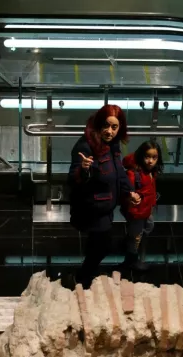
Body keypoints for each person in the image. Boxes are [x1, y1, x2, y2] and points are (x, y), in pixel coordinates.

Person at [69, 105, 130, 287]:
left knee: (98, 245)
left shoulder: (112, 144)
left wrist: (129, 191)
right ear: (98, 124)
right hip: (93, 209)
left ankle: (85, 273)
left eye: (114, 127)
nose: (109, 131)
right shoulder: (85, 146)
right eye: (105, 125)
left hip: (107, 206)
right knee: (103, 247)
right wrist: (84, 169)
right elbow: (73, 178)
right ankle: (82, 278)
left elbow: (118, 171)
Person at [120, 141, 162, 271]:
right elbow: (125, 192)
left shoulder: (151, 171)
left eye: (154, 158)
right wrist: (131, 199)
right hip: (137, 213)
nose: (150, 161)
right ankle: (131, 260)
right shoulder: (134, 174)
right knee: (136, 237)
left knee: (148, 227)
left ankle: (131, 243)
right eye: (147, 157)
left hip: (146, 209)